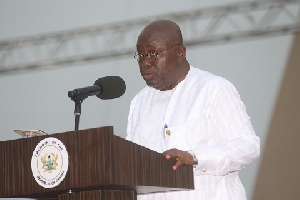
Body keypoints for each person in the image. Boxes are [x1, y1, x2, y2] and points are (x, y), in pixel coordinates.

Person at [126, 20, 260, 200]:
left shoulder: (213, 89)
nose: (146, 62)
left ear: (180, 52)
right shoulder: (139, 102)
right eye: (141, 55)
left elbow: (248, 146)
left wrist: (194, 157)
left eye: (153, 53)